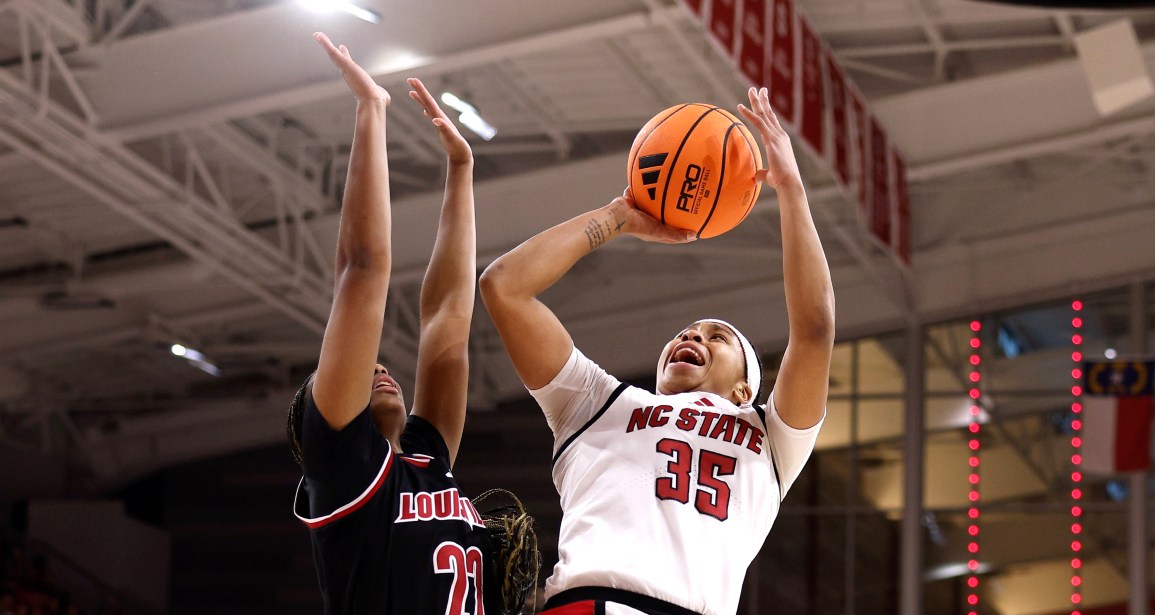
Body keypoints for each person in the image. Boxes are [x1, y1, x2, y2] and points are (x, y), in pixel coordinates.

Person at [479, 87, 833, 615]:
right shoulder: (597, 403)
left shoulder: (772, 438)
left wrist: (792, 192)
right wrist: (617, 218)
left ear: (745, 389)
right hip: (586, 605)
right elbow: (504, 286)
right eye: (687, 332)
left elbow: (815, 329)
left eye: (717, 336)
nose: (693, 337)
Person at [288, 33, 536, 615]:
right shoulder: (344, 466)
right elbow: (362, 269)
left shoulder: (426, 457)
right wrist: (370, 110)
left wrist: (461, 171)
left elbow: (448, 315)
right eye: (355, 373)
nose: (377, 367)